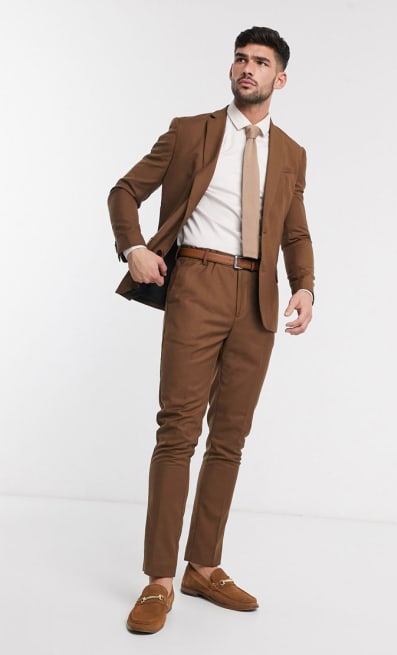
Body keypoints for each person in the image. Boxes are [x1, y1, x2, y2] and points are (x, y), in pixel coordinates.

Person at [108, 25, 315, 634]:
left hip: (257, 299)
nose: (248, 68)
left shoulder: (292, 153)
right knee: (177, 430)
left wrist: (304, 285)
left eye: (261, 62)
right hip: (197, 282)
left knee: (230, 437)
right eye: (241, 58)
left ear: (280, 78)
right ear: (232, 69)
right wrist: (134, 248)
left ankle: (203, 566)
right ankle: (159, 579)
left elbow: (296, 230)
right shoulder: (190, 131)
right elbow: (124, 191)